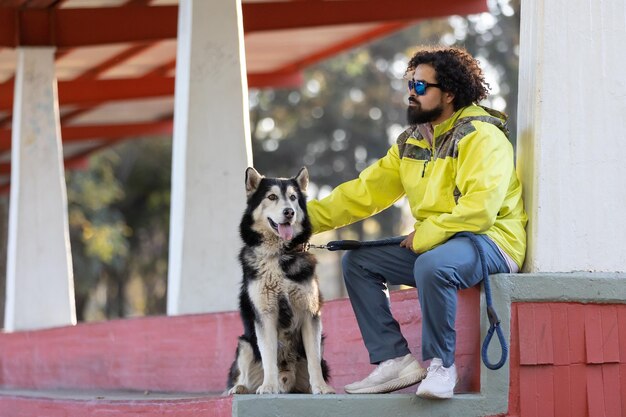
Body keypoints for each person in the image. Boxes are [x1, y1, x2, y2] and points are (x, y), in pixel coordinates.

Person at [306, 46, 527, 399]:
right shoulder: (412, 142)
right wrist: (304, 221)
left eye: (422, 86)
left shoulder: (481, 136)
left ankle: (442, 366)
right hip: (442, 243)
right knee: (359, 262)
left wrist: (426, 234)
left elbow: (480, 209)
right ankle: (394, 359)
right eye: (410, 83)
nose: (412, 91)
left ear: (450, 93)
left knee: (432, 265)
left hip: (492, 241)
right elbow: (364, 192)